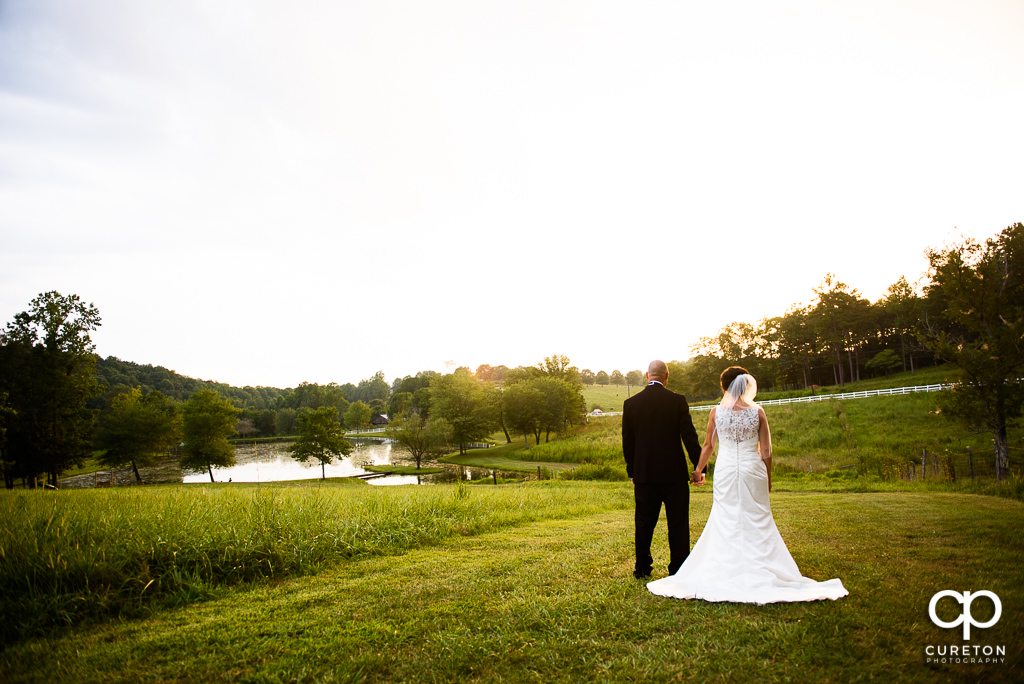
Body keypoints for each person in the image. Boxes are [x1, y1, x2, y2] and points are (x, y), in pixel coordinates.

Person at [646, 366, 848, 603]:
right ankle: (763, 566)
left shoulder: (716, 413)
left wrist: (698, 469)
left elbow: (708, 446)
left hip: (726, 469)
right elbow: (766, 451)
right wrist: (769, 477)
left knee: (726, 516)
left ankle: (725, 566)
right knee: (758, 517)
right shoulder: (758, 412)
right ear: (746, 385)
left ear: (724, 387)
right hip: (753, 470)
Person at [621, 360, 703, 579]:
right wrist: (699, 467)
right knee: (678, 523)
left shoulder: (631, 404)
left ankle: (642, 568)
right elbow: (689, 436)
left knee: (644, 522)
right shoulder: (677, 401)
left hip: (644, 474)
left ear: (647, 375)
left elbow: (627, 443)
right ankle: (678, 568)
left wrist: (632, 472)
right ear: (667, 376)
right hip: (674, 474)